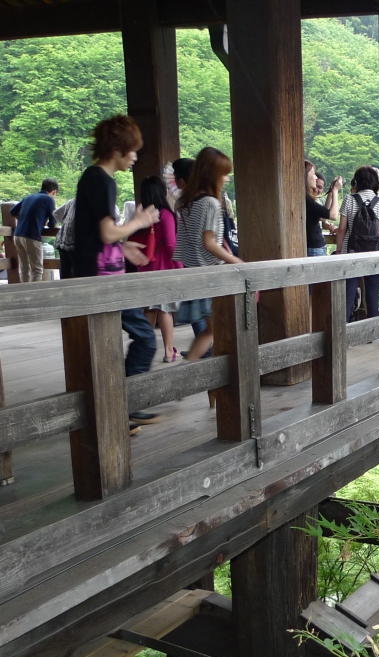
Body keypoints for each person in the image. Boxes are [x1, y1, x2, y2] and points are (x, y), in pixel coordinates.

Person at [72, 114, 161, 430]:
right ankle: (126, 406)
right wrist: (138, 223)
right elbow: (107, 232)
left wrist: (123, 247)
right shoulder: (101, 180)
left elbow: (95, 236)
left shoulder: (94, 178)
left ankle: (116, 413)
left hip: (101, 274)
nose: (135, 156)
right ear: (117, 149)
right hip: (103, 281)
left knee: (108, 350)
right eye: (132, 150)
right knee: (145, 339)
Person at [176, 147, 241, 373]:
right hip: (212, 276)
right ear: (212, 175)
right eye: (224, 174)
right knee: (220, 331)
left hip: (192, 273)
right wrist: (237, 262)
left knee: (210, 331)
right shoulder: (211, 203)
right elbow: (210, 243)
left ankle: (186, 373)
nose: (227, 179)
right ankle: (196, 376)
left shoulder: (185, 202)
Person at [134, 176, 183, 363]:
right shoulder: (165, 214)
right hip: (163, 267)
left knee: (150, 308)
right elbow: (170, 244)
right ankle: (169, 351)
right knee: (165, 309)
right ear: (161, 192)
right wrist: (180, 267)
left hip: (144, 267)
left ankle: (144, 350)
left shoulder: (141, 215)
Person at [335, 165, 379, 321]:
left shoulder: (349, 200)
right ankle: (373, 330)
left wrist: (339, 251)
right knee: (373, 294)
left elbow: (342, 229)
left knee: (348, 293)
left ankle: (344, 328)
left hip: (351, 254)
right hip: (374, 255)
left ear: (356, 182)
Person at [11, 179, 58, 283]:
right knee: (37, 269)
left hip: (17, 235)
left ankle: (25, 290)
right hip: (32, 236)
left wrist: (24, 219)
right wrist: (45, 223)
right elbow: (53, 221)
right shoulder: (49, 199)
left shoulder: (29, 197)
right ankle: (34, 291)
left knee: (24, 267)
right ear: (54, 192)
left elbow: (13, 211)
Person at [305, 160, 341, 257]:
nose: (315, 177)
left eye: (320, 187)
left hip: (315, 247)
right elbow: (333, 215)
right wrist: (335, 190)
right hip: (314, 247)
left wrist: (330, 193)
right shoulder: (307, 199)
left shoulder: (308, 199)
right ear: (305, 176)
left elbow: (323, 217)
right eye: (313, 173)